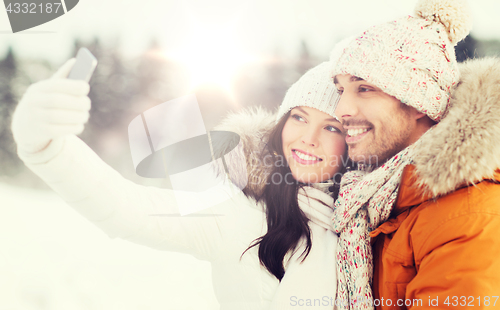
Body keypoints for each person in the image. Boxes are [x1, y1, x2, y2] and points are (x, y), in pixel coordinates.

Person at [12, 60, 347, 309]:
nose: (308, 139)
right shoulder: (240, 213)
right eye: (299, 118)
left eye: (331, 127)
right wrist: (46, 146)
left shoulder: (368, 221)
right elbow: (127, 209)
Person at [328, 0, 500, 309]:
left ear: (418, 102)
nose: (341, 111)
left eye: (364, 88)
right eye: (341, 90)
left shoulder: (469, 217)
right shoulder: (369, 199)